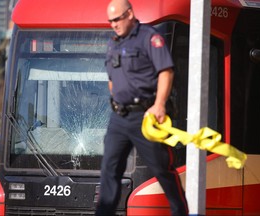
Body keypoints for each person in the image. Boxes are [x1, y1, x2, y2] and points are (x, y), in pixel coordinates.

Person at [95, 0, 189, 215]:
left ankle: (179, 211)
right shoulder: (113, 43)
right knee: (109, 169)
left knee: (161, 168)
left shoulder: (149, 37)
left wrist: (159, 105)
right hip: (118, 117)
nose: (113, 25)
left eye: (117, 19)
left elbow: (166, 71)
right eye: (110, 21)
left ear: (129, 14)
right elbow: (112, 78)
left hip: (144, 116)